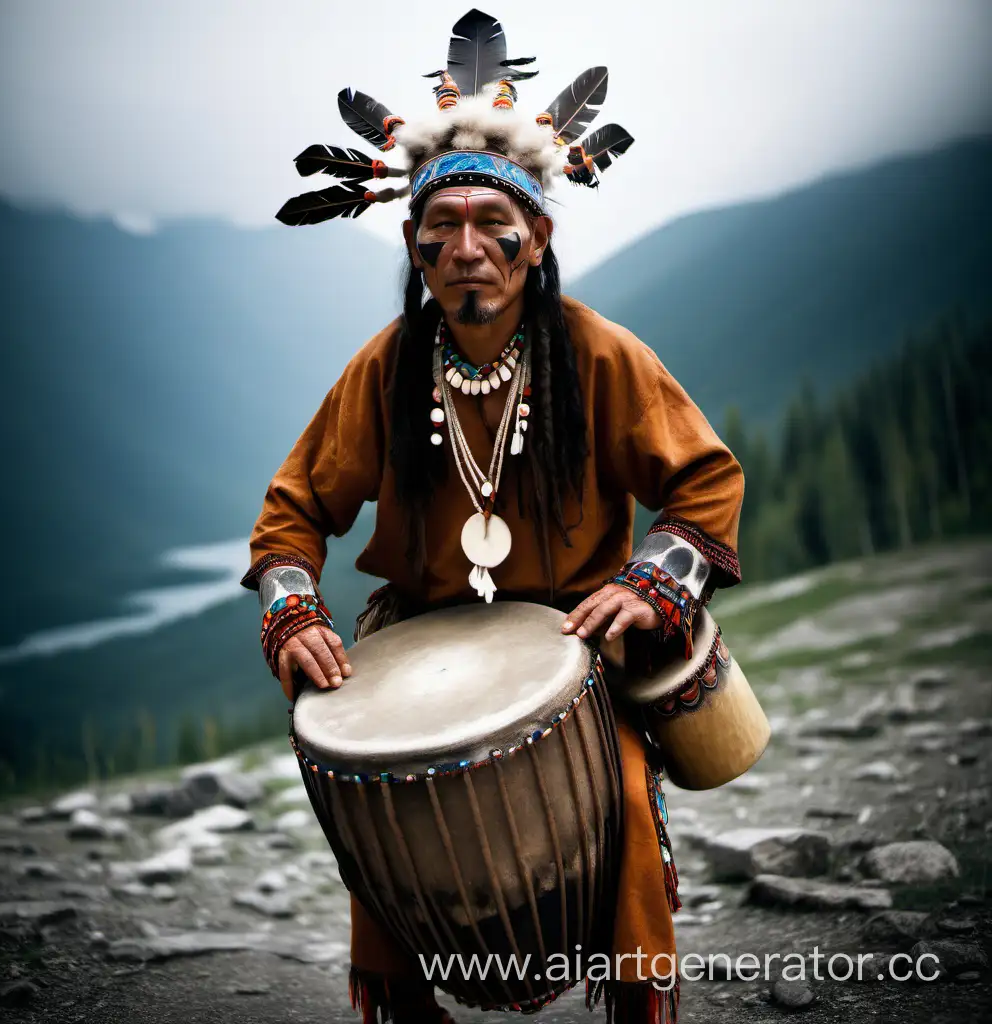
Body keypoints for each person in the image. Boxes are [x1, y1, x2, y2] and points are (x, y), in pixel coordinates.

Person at [241, 11, 744, 1023]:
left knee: (630, 829)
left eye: (491, 223)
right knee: (371, 831)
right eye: (443, 226)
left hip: (572, 646)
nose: (467, 247)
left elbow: (702, 481)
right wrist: (292, 610)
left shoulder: (597, 355)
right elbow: (292, 513)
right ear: (413, 240)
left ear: (537, 236)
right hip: (416, 650)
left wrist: (651, 582)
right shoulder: (386, 370)